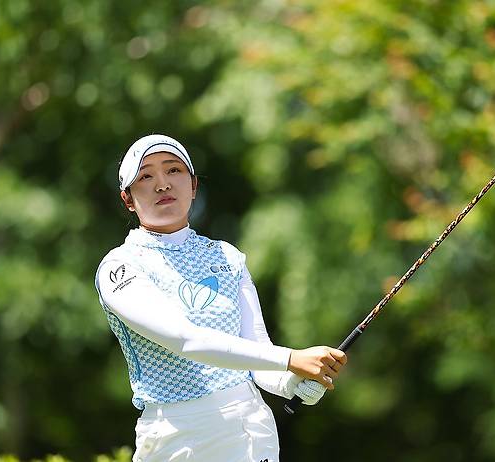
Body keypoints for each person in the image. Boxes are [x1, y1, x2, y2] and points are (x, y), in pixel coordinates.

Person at [94, 134, 347, 461]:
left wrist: (295, 382)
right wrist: (291, 359)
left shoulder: (227, 256)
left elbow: (258, 355)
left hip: (249, 426)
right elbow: (186, 339)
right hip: (176, 436)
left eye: (173, 170)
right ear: (127, 199)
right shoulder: (120, 267)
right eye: (145, 176)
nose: (162, 184)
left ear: (193, 185)